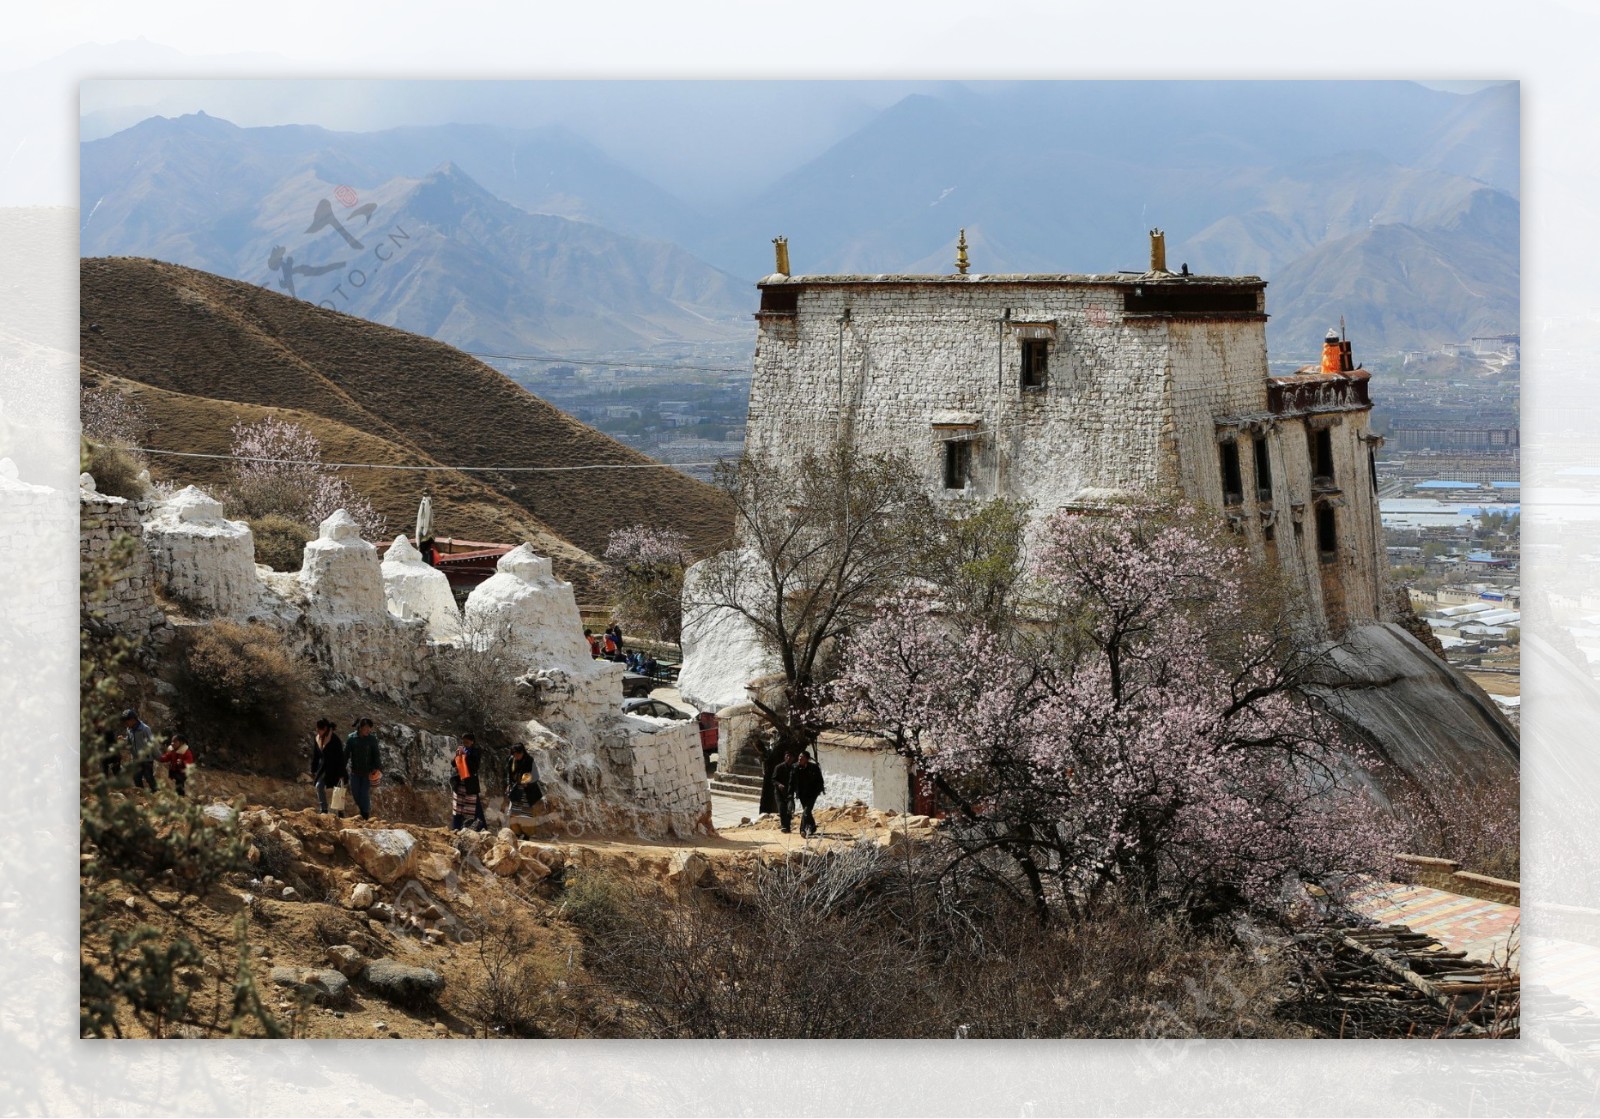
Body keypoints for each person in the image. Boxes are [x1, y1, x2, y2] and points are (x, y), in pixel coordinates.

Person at [345, 718, 382, 820]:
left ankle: (365, 815)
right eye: (366, 728)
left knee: (364, 794)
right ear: (360, 728)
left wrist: (377, 768)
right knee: (355, 793)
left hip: (368, 773)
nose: (368, 730)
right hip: (355, 773)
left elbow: (376, 755)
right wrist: (341, 769)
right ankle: (362, 812)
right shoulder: (351, 738)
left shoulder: (372, 739)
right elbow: (346, 755)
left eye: (369, 728)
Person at [448, 733, 485, 831]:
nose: (465, 744)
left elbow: (474, 767)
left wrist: (465, 756)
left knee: (470, 810)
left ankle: (470, 829)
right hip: (460, 783)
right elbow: (453, 764)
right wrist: (458, 755)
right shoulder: (461, 750)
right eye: (464, 742)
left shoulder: (475, 752)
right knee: (458, 808)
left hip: (470, 784)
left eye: (467, 742)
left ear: (472, 742)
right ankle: (456, 828)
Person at [505, 742, 543, 834]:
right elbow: (509, 774)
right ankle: (516, 833)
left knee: (526, 815)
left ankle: (527, 835)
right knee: (513, 813)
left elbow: (535, 776)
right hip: (516, 790)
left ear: (523, 752)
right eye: (514, 754)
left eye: (518, 754)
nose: (516, 756)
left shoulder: (529, 760)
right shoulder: (511, 760)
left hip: (527, 791)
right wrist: (509, 784)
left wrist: (528, 782)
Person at [311, 717, 347, 814]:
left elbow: (340, 757)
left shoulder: (335, 740)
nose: (318, 731)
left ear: (325, 729)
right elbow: (316, 755)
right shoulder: (317, 739)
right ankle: (324, 809)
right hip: (323, 768)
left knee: (338, 789)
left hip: (335, 768)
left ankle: (340, 812)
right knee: (319, 786)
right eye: (317, 729)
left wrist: (341, 772)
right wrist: (313, 769)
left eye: (319, 729)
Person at [792, 750, 825, 839]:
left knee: (806, 811)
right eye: (799, 757)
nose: (799, 759)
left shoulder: (814, 767)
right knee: (807, 811)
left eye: (802, 757)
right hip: (802, 794)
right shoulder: (795, 767)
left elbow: (820, 780)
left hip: (812, 793)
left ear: (807, 759)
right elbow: (792, 781)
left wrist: (819, 790)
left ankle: (802, 830)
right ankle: (813, 827)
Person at [122, 708, 157, 792]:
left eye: (127, 721)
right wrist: (124, 740)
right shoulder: (129, 729)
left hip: (146, 759)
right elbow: (129, 741)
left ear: (133, 719)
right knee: (136, 778)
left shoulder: (145, 729)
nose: (126, 724)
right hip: (136, 759)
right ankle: (142, 795)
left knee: (149, 777)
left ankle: (156, 793)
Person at [157, 733, 195, 798]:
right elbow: (166, 757)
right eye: (172, 741)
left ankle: (181, 796)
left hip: (182, 772)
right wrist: (160, 758)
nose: (172, 743)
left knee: (179, 783)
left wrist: (182, 762)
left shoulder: (186, 752)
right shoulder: (172, 751)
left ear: (181, 743)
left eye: (175, 742)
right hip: (173, 770)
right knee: (172, 783)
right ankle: (174, 796)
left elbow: (190, 762)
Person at [772, 750, 797, 834]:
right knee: (782, 808)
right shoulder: (778, 767)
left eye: (790, 756)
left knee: (789, 810)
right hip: (779, 793)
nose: (789, 758)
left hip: (789, 792)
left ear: (793, 758)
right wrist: (779, 784)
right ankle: (783, 826)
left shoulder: (794, 768)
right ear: (785, 757)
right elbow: (773, 779)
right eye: (787, 756)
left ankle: (788, 826)